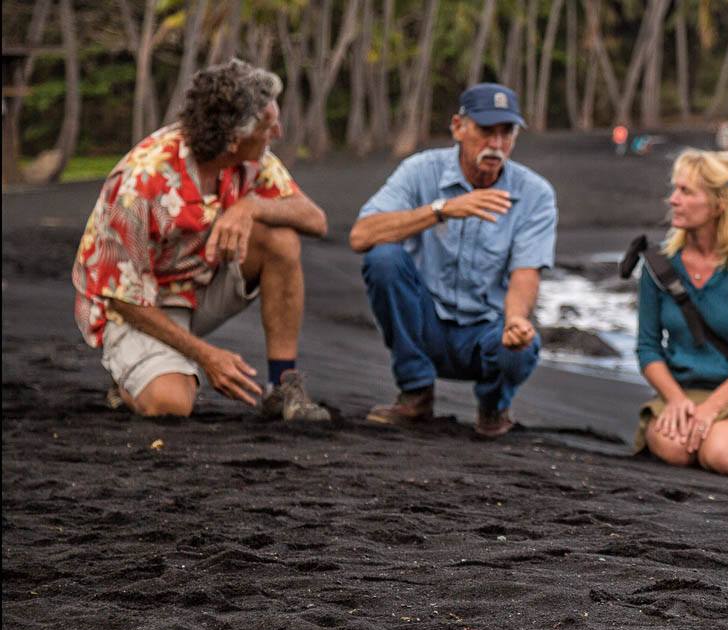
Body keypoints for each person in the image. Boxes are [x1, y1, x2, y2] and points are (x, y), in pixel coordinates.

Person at [71, 59, 330, 420]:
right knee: (171, 405)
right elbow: (121, 298)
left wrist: (250, 205)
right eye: (270, 126)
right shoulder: (142, 183)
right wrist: (206, 356)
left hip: (199, 284)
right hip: (138, 306)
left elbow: (315, 220)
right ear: (235, 139)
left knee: (282, 238)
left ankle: (282, 385)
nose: (279, 133)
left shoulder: (253, 161)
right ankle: (128, 382)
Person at [349, 83, 556, 437]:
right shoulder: (420, 170)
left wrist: (516, 320)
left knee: (524, 344)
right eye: (485, 130)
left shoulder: (535, 193)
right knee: (383, 258)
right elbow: (361, 236)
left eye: (506, 132)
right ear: (458, 127)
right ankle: (415, 392)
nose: (496, 143)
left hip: (486, 333)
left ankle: (494, 407)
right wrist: (441, 210)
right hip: (424, 324)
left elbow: (526, 272)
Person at [633, 150, 728, 481]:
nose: (673, 200)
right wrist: (674, 400)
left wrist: (711, 408)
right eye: (675, 189)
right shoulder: (660, 263)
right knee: (677, 451)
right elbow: (647, 347)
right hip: (682, 390)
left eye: (686, 192)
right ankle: (715, 434)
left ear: (719, 204)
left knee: (721, 455)